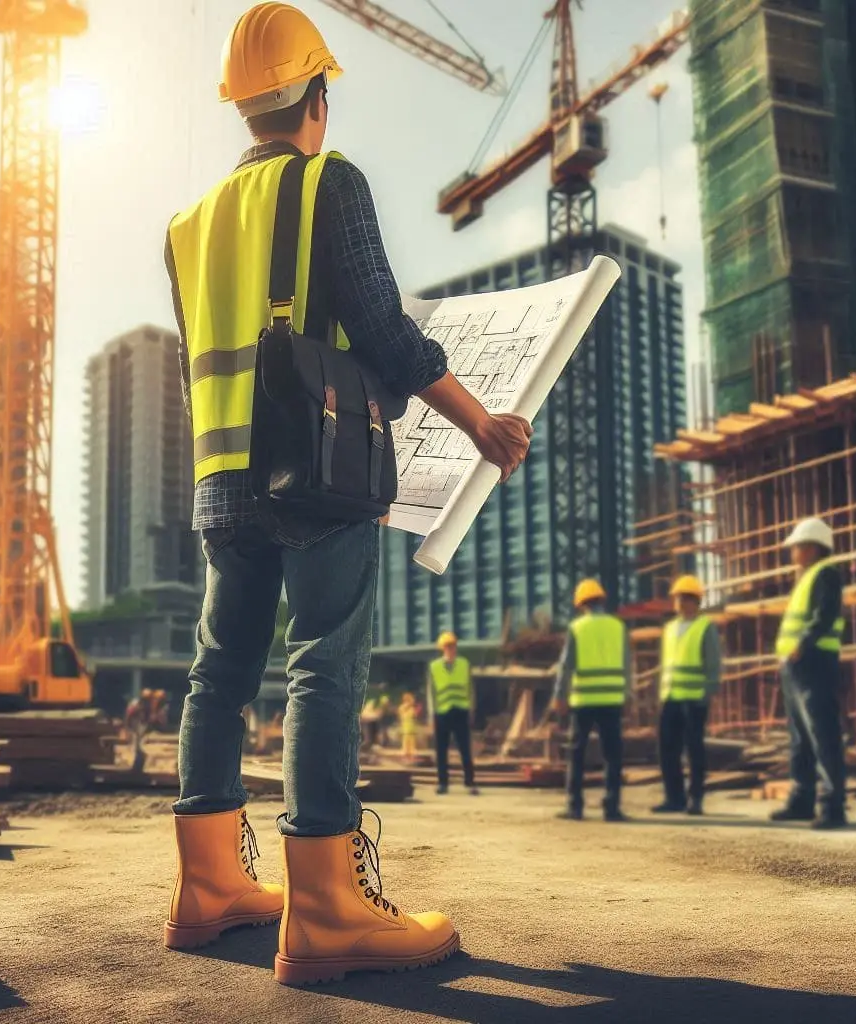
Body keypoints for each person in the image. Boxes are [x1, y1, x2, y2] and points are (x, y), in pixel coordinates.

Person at [161, 3, 532, 984]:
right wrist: (479, 421)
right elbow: (385, 333)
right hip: (314, 473)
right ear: (316, 98)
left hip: (218, 479)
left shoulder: (186, 226)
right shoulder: (331, 181)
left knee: (220, 671)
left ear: (246, 109)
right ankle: (324, 906)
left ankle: (207, 890)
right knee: (325, 658)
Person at [771, 517, 847, 829]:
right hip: (795, 665)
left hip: (813, 661)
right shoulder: (806, 577)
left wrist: (803, 643)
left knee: (822, 733)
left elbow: (825, 614)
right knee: (800, 737)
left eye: (797, 546)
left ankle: (832, 807)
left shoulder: (825, 573)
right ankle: (802, 800)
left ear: (813, 548)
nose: (792, 552)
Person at [550, 579, 629, 822]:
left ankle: (575, 807)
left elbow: (566, 666)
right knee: (612, 756)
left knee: (577, 754)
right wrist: (628, 694)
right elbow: (627, 664)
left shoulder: (578, 627)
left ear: (581, 604)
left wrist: (559, 697)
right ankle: (612, 808)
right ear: (602, 600)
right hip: (612, 700)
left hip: (583, 701)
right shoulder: (618, 626)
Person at [651, 575, 720, 816]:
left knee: (694, 749)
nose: (680, 602)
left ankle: (695, 798)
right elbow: (666, 664)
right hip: (671, 698)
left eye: (685, 598)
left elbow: (713, 663)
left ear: (696, 601)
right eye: (678, 598)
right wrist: (661, 694)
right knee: (667, 749)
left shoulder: (705, 627)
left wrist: (708, 691)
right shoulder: (669, 628)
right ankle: (674, 798)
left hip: (694, 698)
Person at [427, 632, 478, 795]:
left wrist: (471, 709)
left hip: (461, 711)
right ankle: (443, 783)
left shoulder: (464, 664)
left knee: (465, 748)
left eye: (453, 645)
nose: (451, 649)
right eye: (448, 646)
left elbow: (471, 688)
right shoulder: (434, 667)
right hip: (442, 712)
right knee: (441, 750)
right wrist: (431, 715)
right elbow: (431, 692)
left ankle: (470, 783)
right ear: (442, 648)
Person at [398, 692, 420, 761]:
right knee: (406, 741)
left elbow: (414, 715)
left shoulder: (411, 708)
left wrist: (417, 710)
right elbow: (402, 713)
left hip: (411, 726)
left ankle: (410, 755)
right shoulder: (403, 707)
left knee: (411, 742)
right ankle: (406, 755)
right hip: (406, 726)